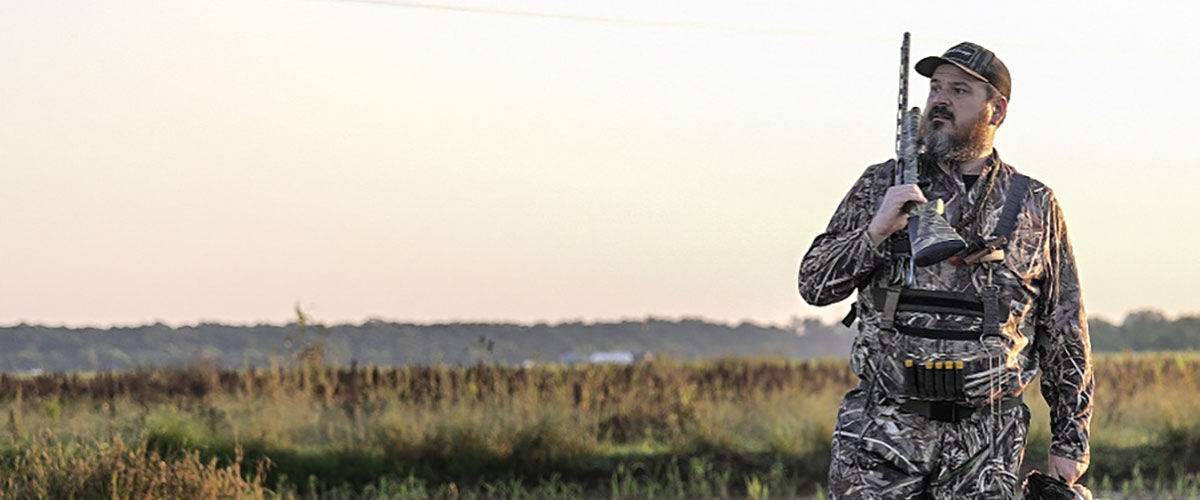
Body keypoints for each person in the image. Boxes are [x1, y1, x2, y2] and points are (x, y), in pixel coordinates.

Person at [797, 41, 1093, 499]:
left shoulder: (1035, 203)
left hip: (987, 440)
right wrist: (875, 232)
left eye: (959, 90)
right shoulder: (883, 183)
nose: (940, 99)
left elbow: (1064, 328)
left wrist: (1070, 441)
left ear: (997, 109)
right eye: (935, 87)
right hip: (881, 432)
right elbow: (813, 284)